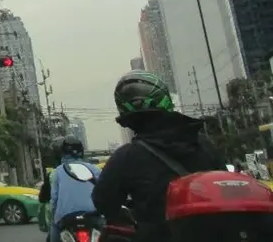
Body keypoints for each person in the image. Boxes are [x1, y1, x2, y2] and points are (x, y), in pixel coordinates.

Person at [92, 70, 226, 242]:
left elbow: (103, 202)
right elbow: (223, 182)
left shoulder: (126, 156)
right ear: (165, 100)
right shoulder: (203, 143)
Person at [48, 137, 101, 242]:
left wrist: (53, 216)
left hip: (65, 217)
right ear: (81, 152)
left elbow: (54, 199)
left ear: (62, 153)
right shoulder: (94, 169)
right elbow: (105, 190)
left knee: (54, 228)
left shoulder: (57, 172)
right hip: (92, 214)